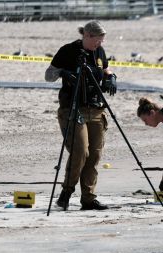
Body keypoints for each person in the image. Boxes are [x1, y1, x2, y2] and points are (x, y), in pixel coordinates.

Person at [45, 20, 117, 211]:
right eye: (97, 41)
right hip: (73, 108)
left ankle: (88, 199)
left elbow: (105, 68)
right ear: (86, 35)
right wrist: (64, 73)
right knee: (80, 151)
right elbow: (48, 75)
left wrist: (111, 77)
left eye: (102, 41)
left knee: (94, 155)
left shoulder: (99, 51)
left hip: (96, 109)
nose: (99, 45)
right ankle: (66, 193)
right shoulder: (68, 51)